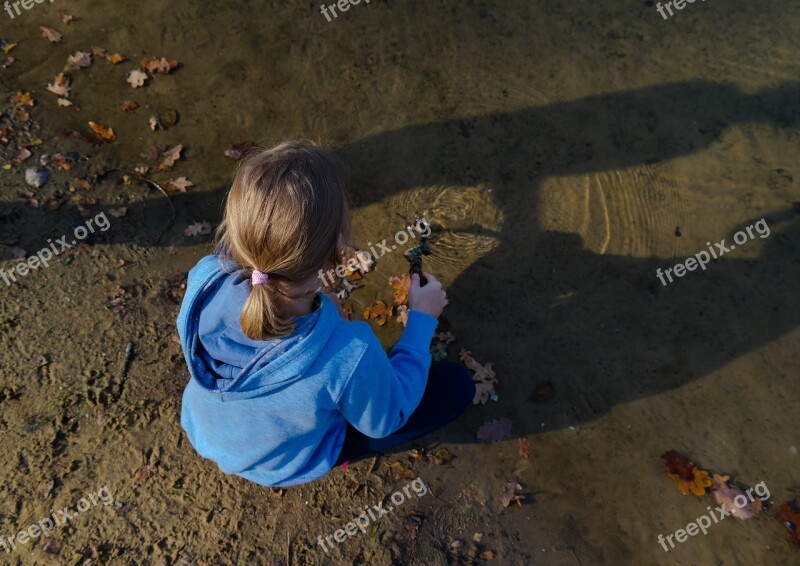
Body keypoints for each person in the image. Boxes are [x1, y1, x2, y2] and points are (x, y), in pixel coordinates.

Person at [177, 140, 475, 487]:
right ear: (335, 247)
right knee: (456, 387)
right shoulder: (348, 353)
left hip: (209, 433)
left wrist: (323, 268)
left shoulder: (206, 276)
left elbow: (270, 270)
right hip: (284, 465)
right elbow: (385, 419)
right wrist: (422, 320)